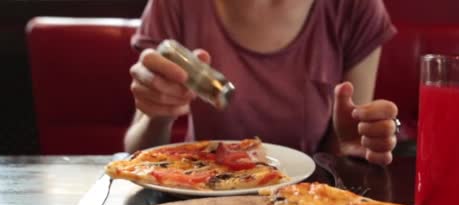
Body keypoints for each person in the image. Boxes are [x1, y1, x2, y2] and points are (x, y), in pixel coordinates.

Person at [125, 0, 399, 166]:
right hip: (201, 200)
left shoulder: (355, 7)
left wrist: (350, 145)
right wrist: (157, 117)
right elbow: (137, 149)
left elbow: (349, 141)